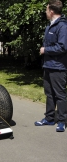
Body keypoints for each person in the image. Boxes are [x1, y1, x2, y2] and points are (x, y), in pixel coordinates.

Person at [34, 0, 67, 132]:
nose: (46, 12)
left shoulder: (63, 26)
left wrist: (45, 50)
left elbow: (63, 47)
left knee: (59, 94)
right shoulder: (50, 26)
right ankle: (49, 118)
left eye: (47, 9)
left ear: (51, 11)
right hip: (48, 65)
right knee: (49, 93)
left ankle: (62, 121)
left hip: (58, 67)